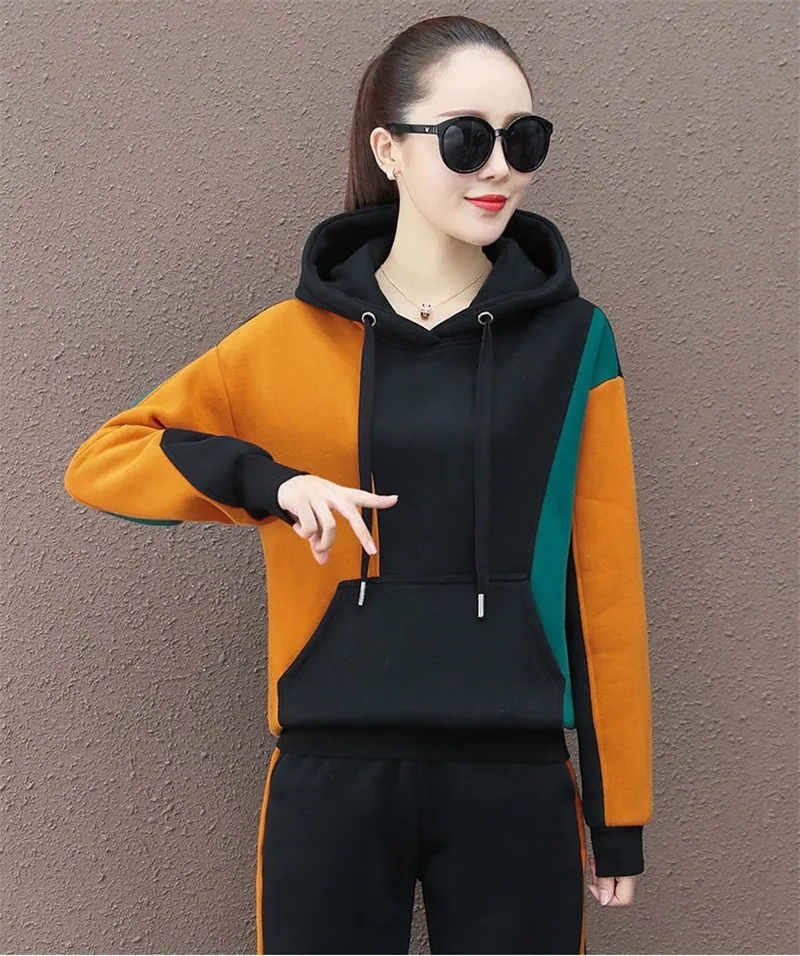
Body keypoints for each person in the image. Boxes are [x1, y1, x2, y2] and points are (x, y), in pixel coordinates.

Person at [63, 14, 653, 956]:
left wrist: (619, 813)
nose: (500, 167)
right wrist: (271, 485)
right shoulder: (287, 340)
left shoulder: (577, 342)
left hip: (514, 780)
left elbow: (606, 584)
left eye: (525, 139)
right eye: (467, 138)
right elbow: (103, 459)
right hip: (330, 772)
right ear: (389, 150)